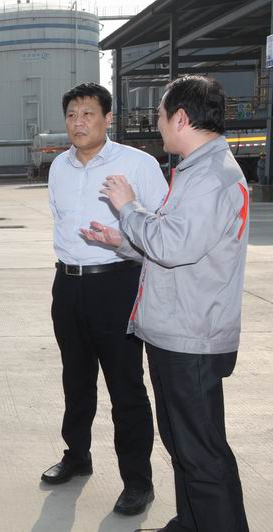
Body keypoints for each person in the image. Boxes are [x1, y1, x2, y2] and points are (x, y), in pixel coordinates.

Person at [85, 75, 249, 532]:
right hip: (177, 330)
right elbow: (174, 245)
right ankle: (192, 523)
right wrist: (122, 240)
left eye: (159, 115)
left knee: (202, 453)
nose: (156, 124)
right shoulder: (197, 170)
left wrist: (128, 207)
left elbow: (173, 246)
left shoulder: (211, 177)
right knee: (184, 446)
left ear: (180, 118)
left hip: (191, 336)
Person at [43, 82, 168, 515]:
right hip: (68, 285)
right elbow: (59, 220)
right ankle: (77, 456)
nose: (78, 123)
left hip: (117, 284)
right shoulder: (58, 167)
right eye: (71, 115)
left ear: (107, 118)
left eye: (88, 114)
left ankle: (137, 482)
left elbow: (162, 226)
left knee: (125, 385)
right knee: (75, 380)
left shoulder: (138, 164)